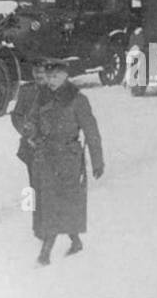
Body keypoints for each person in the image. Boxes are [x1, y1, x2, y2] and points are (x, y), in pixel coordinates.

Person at [23, 57, 104, 265]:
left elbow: (91, 131)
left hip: (68, 158)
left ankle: (45, 253)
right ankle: (72, 241)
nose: (51, 80)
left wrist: (97, 161)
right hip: (46, 156)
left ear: (66, 76)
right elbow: (31, 119)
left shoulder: (78, 99)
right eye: (48, 76)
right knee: (50, 202)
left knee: (64, 201)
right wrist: (30, 131)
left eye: (56, 76)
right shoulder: (41, 97)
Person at [11, 60, 49, 188]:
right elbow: (17, 115)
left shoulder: (58, 91)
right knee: (35, 183)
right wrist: (26, 132)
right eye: (36, 72)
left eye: (43, 72)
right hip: (32, 145)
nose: (39, 76)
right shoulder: (26, 91)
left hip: (53, 145)